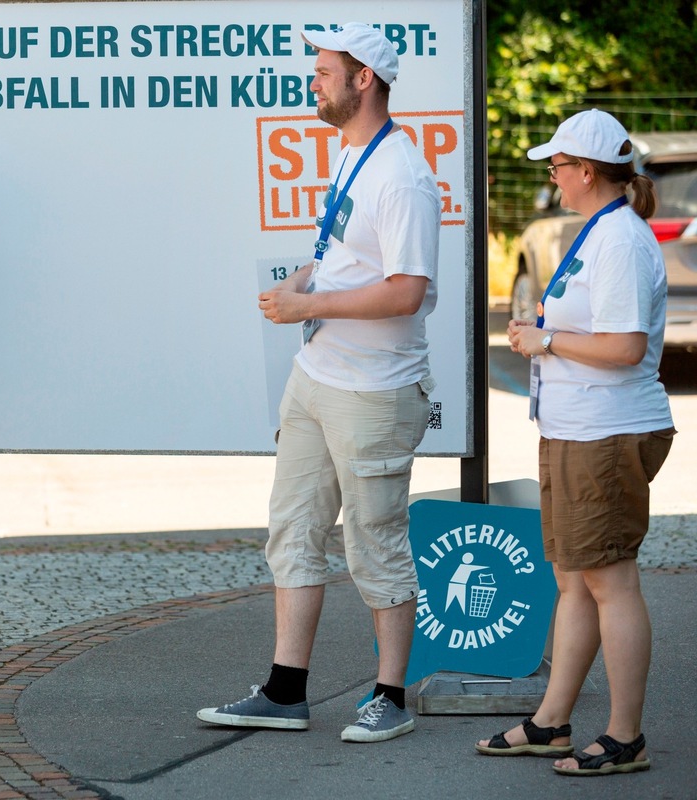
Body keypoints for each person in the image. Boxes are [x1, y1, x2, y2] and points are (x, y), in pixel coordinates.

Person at [197, 22, 440, 743]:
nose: (314, 80)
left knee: (376, 542)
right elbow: (345, 254)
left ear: (364, 79)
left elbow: (406, 291)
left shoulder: (402, 176)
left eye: (326, 70)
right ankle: (285, 692)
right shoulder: (352, 154)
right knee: (293, 532)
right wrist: (306, 279)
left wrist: (309, 305)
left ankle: (389, 697)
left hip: (374, 391)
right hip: (317, 375)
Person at [477, 108, 674, 775]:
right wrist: (543, 333)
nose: (553, 177)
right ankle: (551, 723)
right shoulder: (601, 230)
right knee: (574, 580)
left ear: (586, 171)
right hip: (576, 427)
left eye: (558, 167)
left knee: (609, 580)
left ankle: (626, 738)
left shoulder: (619, 240)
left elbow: (624, 347)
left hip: (607, 430)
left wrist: (548, 340)